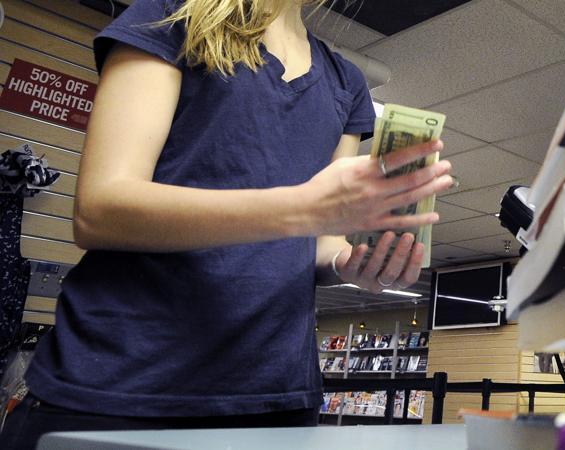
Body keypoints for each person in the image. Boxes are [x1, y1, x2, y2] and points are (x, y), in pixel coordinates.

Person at [0, 0, 452, 447]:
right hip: (125, 383)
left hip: (277, 397)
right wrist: (301, 208)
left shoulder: (345, 82)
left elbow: (319, 242)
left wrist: (350, 263)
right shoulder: (171, 15)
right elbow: (100, 209)